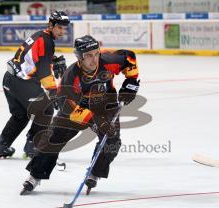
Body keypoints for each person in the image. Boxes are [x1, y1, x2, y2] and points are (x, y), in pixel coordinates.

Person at [20, 35, 140, 195]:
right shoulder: (71, 75)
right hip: (77, 108)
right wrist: (93, 120)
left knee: (112, 140)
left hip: (106, 105)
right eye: (89, 55)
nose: (94, 59)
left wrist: (130, 84)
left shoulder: (109, 61)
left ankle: (95, 173)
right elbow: (67, 107)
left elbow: (129, 57)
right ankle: (35, 175)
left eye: (96, 53)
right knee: (52, 137)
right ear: (79, 57)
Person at [0, 11, 70, 159]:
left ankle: (1, 146)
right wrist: (54, 92)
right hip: (22, 83)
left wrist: (54, 59)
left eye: (64, 28)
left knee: (20, 115)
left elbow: (37, 56)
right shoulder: (46, 41)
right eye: (59, 27)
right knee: (46, 110)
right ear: (51, 25)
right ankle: (33, 146)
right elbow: (44, 72)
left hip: (9, 79)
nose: (62, 31)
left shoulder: (40, 36)